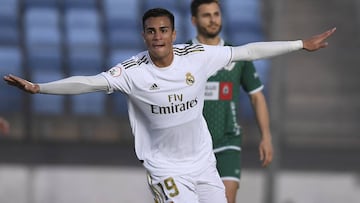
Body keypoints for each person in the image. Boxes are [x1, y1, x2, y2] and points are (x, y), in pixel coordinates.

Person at [3, 8, 335, 203]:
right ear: (144, 36)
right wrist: (39, 88)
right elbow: (89, 82)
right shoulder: (131, 72)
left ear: (174, 34)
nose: (158, 36)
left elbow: (248, 51)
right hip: (165, 168)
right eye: (151, 32)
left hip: (204, 163)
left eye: (164, 30)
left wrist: (300, 44)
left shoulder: (198, 58)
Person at [188, 1, 273, 202]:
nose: (212, 20)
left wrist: (266, 137)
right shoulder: (183, 56)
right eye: (206, 15)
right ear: (194, 20)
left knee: (227, 198)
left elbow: (256, 96)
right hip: (191, 144)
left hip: (227, 140)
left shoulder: (237, 55)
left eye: (216, 14)